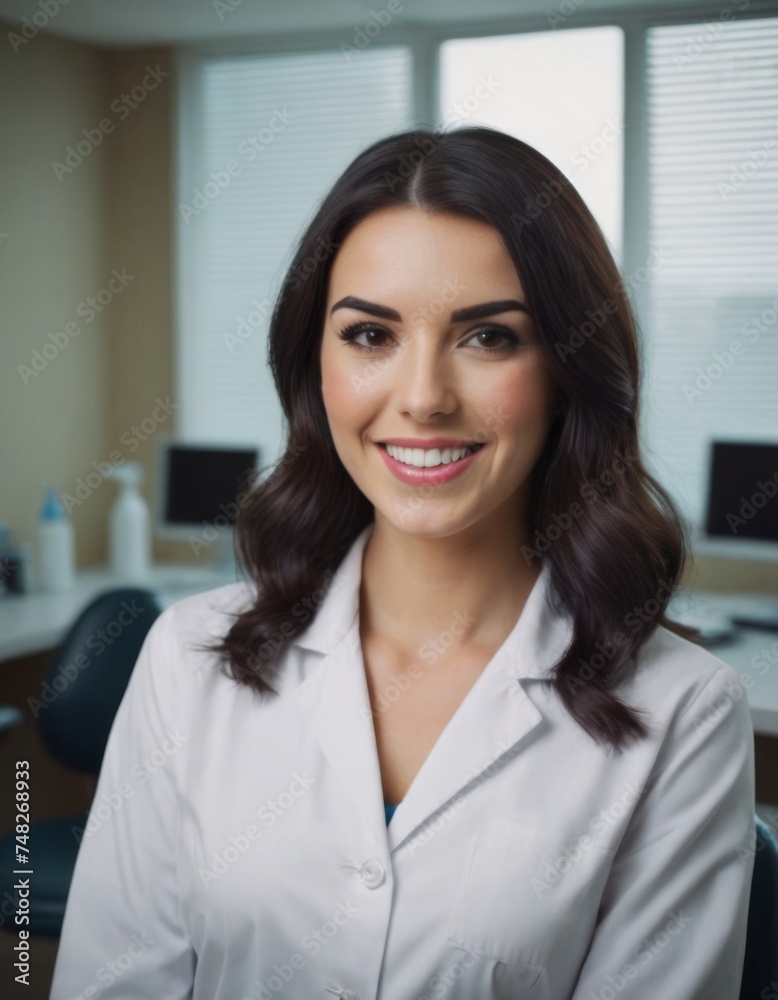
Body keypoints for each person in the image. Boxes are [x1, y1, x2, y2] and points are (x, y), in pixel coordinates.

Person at [50, 126, 755, 1000]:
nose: (422, 397)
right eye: (371, 335)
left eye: (489, 338)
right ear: (315, 364)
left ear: (570, 370)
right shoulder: (188, 657)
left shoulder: (684, 711)